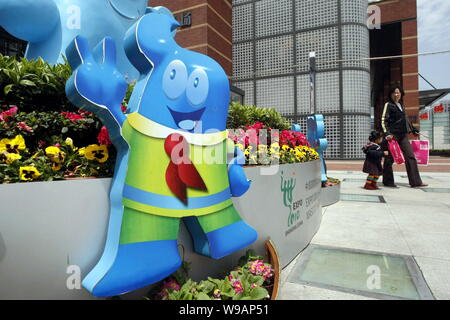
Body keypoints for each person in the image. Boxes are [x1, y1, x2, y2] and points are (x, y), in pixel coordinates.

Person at [380, 85, 428, 188]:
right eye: (394, 93)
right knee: (390, 158)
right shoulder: (388, 105)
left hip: (403, 135)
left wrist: (413, 129)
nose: (396, 94)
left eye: (398, 93)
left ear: (401, 94)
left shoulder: (402, 105)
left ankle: (415, 182)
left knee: (410, 156)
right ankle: (388, 181)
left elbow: (406, 119)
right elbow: (384, 120)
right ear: (391, 94)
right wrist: (387, 133)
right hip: (392, 136)